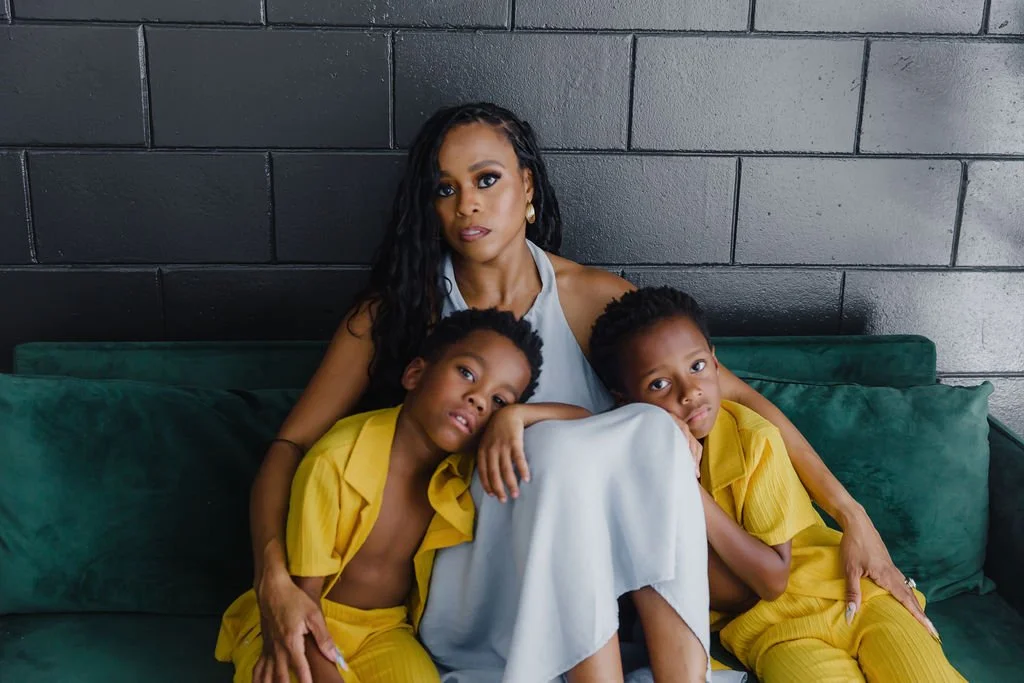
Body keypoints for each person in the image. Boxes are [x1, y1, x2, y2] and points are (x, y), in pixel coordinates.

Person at [248, 102, 933, 683]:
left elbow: (734, 398)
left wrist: (850, 512)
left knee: (656, 431)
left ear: (528, 188)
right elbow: (291, 445)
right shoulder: (394, 311)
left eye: (487, 179)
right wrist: (274, 579)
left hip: (604, 575)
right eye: (445, 188)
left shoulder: (593, 299)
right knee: (568, 451)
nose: (468, 203)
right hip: (476, 567)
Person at [589, 286, 964, 682]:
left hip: (851, 594)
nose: (690, 392)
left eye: (697, 367)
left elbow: (773, 577)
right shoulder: (636, 485)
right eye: (659, 385)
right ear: (625, 401)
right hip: (772, 634)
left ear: (716, 364)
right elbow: (750, 594)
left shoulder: (753, 437)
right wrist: (681, 482)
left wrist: (689, 488)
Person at [215, 308, 545, 682]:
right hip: (299, 617)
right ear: (415, 373)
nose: (479, 400)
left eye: (499, 400)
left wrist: (515, 419)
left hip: (384, 630)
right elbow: (301, 605)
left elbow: (582, 417)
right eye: (467, 373)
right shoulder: (336, 459)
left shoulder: (459, 469)